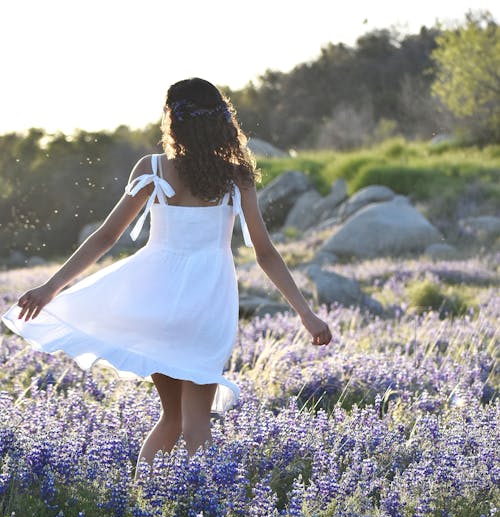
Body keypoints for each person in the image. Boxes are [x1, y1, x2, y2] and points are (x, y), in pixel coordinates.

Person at [2, 78, 332, 477]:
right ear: (220, 122)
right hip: (207, 305)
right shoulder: (236, 176)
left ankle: (142, 497)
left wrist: (51, 287)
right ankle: (205, 511)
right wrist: (306, 314)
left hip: (156, 301)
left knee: (172, 419)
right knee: (196, 425)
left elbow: (106, 236)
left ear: (173, 121)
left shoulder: (152, 168)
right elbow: (265, 253)